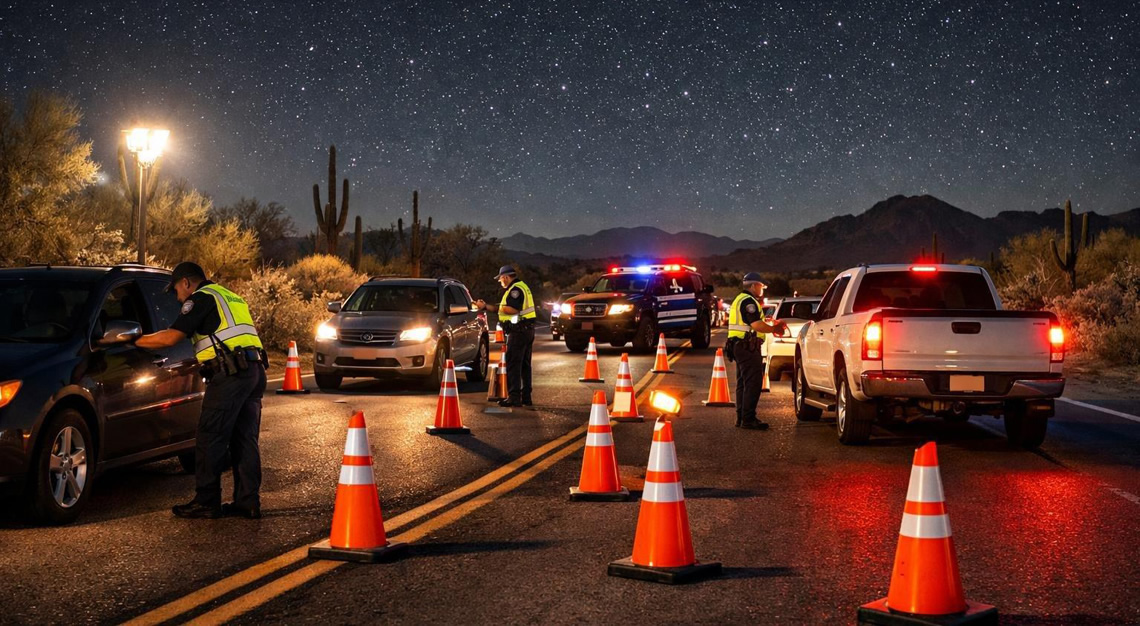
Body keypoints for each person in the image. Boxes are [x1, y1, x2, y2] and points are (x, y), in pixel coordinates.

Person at [135, 262, 267, 519]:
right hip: (254, 370)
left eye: (175, 290)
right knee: (245, 439)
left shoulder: (200, 298)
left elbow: (171, 338)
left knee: (210, 437)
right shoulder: (230, 296)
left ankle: (207, 501)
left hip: (230, 374)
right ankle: (248, 502)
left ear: (186, 282)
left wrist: (135, 340)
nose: (176, 296)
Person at [726, 272, 788, 430]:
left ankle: (741, 417)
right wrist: (774, 328)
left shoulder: (739, 299)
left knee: (743, 383)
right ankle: (748, 419)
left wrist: (767, 322)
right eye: (761, 286)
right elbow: (756, 325)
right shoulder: (749, 301)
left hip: (738, 345)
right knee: (753, 383)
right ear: (754, 286)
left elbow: (752, 322)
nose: (763, 289)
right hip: (747, 347)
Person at [475, 265, 536, 407]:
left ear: (506, 277)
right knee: (525, 365)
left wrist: (499, 308)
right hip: (526, 330)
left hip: (519, 331)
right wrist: (486, 307)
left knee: (514, 364)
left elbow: (513, 309)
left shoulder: (515, 290)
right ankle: (526, 397)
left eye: (501, 278)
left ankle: (514, 397)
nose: (500, 281)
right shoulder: (521, 287)